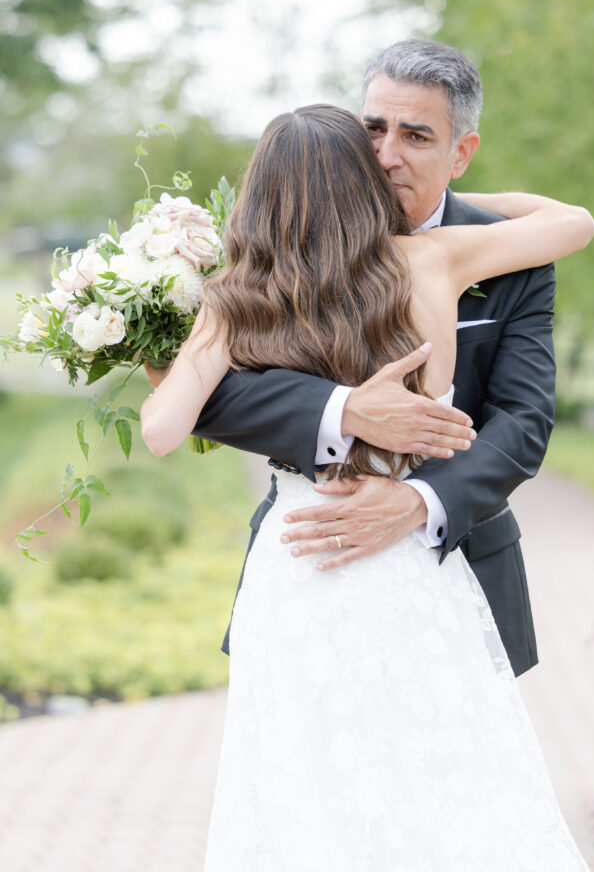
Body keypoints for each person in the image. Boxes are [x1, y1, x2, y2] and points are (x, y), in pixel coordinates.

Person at [141, 103, 594, 869]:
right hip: (409, 572)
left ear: (258, 195)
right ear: (364, 183)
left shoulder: (234, 297)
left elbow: (160, 431)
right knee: (444, 782)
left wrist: (166, 365)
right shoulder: (437, 259)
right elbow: (575, 223)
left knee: (301, 793)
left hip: (298, 566)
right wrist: (485, 204)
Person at [189, 39, 557, 678]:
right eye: (374, 128)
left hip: (457, 570)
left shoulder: (512, 256)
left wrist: (419, 500)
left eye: (416, 136)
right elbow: (210, 395)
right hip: (306, 568)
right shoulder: (285, 235)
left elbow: (523, 423)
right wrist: (346, 410)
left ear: (460, 153)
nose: (386, 156)